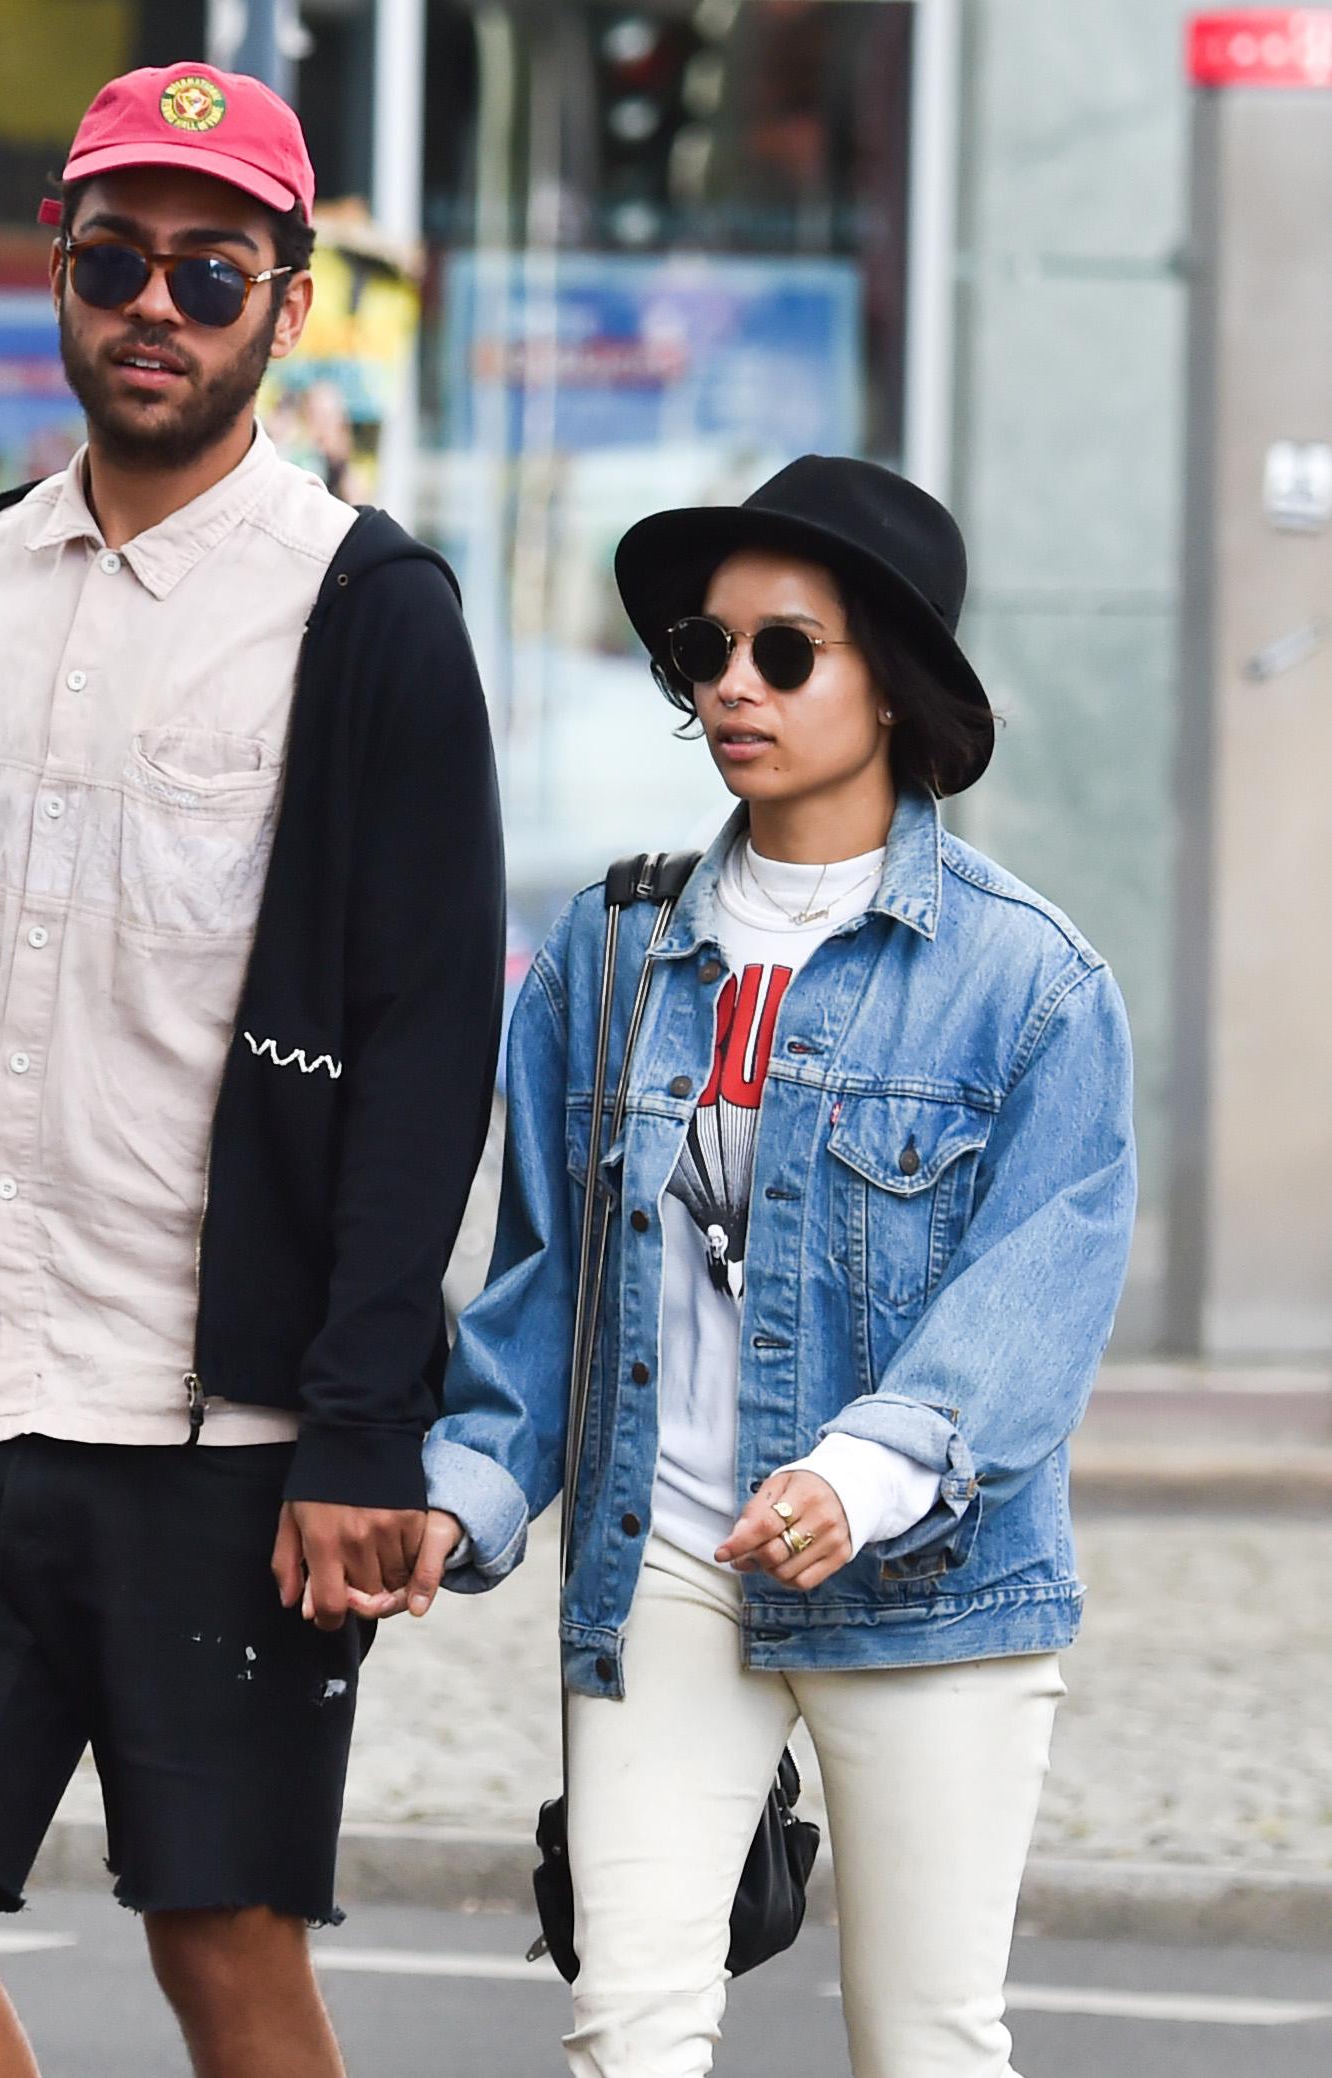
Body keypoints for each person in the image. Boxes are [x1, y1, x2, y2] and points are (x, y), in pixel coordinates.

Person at [0, 62, 504, 2078]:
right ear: (57, 280)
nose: (151, 303)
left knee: (222, 1954)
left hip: (231, 1414)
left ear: (286, 296)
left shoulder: (368, 614)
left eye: (205, 267)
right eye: (110, 261)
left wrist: (359, 1428)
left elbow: (429, 1042)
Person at [375, 456, 1137, 2077]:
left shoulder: (1029, 982)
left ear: (892, 685)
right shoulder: (609, 947)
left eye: (783, 652)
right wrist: (467, 1491)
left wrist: (864, 1471)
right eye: (702, 652)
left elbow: (1045, 1277)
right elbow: (541, 1283)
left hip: (929, 1587)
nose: (730, 683)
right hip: (664, 1557)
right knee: (627, 2026)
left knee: (924, 2042)